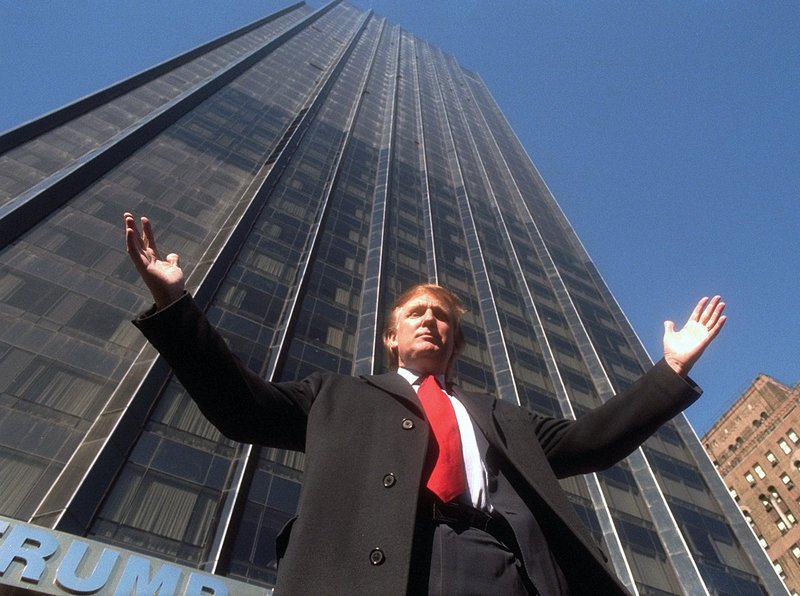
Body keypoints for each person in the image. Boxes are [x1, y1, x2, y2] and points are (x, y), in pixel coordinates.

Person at [124, 212, 726, 595]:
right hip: (363, 569)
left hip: (492, 564)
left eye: (443, 319)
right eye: (418, 314)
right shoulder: (335, 395)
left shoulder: (500, 416)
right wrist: (177, 308)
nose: (432, 322)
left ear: (455, 343)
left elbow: (591, 440)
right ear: (391, 337)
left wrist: (670, 369)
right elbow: (241, 409)